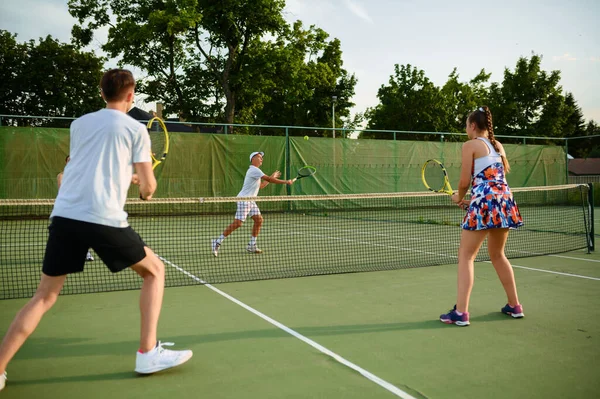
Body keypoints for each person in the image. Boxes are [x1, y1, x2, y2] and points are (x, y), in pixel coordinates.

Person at [0, 69, 192, 392]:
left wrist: (126, 176)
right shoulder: (135, 130)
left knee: (44, 296)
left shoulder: (79, 124)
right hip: (102, 218)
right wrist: (143, 185)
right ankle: (148, 353)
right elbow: (148, 189)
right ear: (131, 97)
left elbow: (86, 166)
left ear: (102, 94)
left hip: (64, 215)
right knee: (154, 271)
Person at [440, 106, 524, 327]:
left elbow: (464, 182)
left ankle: (461, 312)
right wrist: (472, 200)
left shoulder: (470, 145)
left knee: (466, 256)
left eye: (466, 126)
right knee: (498, 254)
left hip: (486, 201)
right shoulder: (498, 146)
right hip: (504, 201)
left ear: (473, 125)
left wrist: (458, 196)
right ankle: (515, 306)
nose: (466, 130)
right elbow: (494, 180)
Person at [212, 151, 293, 256]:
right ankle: (217, 241)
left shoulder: (256, 172)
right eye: (259, 157)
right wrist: (286, 182)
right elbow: (269, 179)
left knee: (258, 220)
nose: (261, 159)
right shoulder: (254, 170)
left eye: (261, 158)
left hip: (251, 200)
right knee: (238, 223)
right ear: (253, 159)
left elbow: (262, 185)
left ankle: (252, 245)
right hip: (244, 200)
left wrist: (272, 176)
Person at [57, 155, 94, 262]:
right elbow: (62, 190)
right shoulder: (62, 176)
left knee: (85, 230)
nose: (70, 162)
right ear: (66, 163)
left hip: (82, 208)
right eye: (68, 161)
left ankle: (85, 252)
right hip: (66, 208)